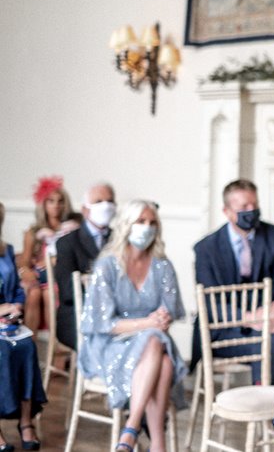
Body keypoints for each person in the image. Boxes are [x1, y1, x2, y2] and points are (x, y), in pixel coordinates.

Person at [79, 200, 187, 452]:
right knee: (158, 348)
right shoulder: (107, 266)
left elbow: (168, 313)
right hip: (110, 344)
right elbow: (103, 323)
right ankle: (151, 438)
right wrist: (149, 323)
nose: (147, 228)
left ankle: (132, 429)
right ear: (127, 225)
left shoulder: (162, 265)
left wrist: (158, 321)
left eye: (152, 223)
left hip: (152, 344)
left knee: (160, 353)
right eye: (141, 222)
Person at [192, 179, 274, 384]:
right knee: (269, 339)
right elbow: (211, 307)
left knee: (273, 338)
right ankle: (267, 402)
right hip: (222, 332)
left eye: (254, 205)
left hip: (268, 323)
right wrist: (251, 317)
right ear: (227, 211)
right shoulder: (206, 249)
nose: (251, 210)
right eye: (244, 207)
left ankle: (267, 400)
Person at [1, 201, 47, 452]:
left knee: (27, 346)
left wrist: (16, 306)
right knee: (3, 351)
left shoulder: (6, 250)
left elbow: (18, 290)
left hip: (8, 323)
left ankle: (26, 421)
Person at [54, 182, 116, 350]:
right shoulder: (67, 243)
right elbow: (67, 291)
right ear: (85, 209)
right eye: (99, 201)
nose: (106, 206)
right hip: (78, 314)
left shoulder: (120, 241)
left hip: (115, 313)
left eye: (110, 201)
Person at [16, 175, 75, 337]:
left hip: (59, 277)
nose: (56, 206)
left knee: (49, 292)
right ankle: (29, 341)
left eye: (60, 201)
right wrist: (26, 271)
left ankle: (56, 342)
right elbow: (25, 263)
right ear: (44, 204)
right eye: (51, 201)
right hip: (39, 277)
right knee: (34, 293)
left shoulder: (71, 228)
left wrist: (55, 260)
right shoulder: (34, 232)